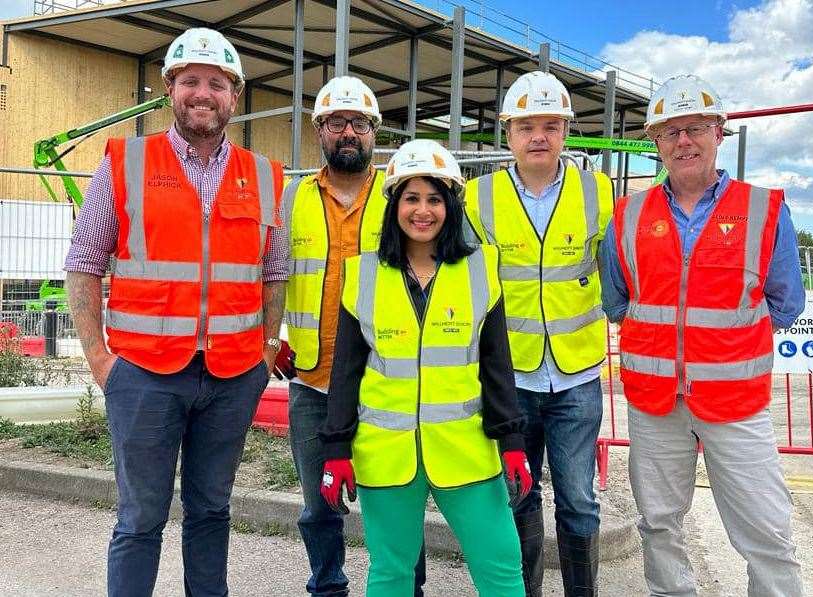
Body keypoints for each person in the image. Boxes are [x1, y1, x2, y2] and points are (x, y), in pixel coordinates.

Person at [64, 28, 285, 596]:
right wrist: (100, 361)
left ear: (234, 95)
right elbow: (83, 264)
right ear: (170, 89)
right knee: (140, 519)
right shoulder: (125, 162)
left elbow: (274, 271)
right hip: (141, 374)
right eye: (191, 81)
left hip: (233, 375)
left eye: (217, 83)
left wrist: (264, 353)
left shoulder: (263, 175)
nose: (203, 93)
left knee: (212, 511)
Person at [598, 74, 805, 596]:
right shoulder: (628, 215)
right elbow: (617, 299)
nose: (683, 141)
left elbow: (785, 304)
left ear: (719, 133)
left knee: (766, 532)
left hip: (736, 403)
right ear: (655, 143)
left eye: (694, 128)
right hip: (655, 402)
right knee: (659, 524)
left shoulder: (765, 209)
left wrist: (724, 349)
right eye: (670, 132)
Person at [318, 139, 533, 597]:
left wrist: (512, 441)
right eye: (411, 198)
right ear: (395, 204)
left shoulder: (479, 269)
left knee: (500, 566)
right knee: (391, 573)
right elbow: (346, 373)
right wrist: (335, 450)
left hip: (467, 451)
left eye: (434, 198)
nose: (423, 210)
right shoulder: (364, 274)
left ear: (450, 206)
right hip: (387, 454)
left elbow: (497, 365)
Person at [464, 71, 614, 596]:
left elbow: (614, 275)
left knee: (578, 499)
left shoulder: (596, 191)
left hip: (576, 376)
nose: (539, 136)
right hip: (511, 380)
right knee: (517, 497)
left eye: (551, 125)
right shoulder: (477, 198)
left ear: (566, 132)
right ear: (508, 133)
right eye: (526, 125)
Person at [274, 75, 425, 596]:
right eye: (337, 122)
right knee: (318, 505)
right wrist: (271, 339)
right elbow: (269, 273)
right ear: (320, 129)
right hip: (313, 380)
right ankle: (327, 586)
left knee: (400, 498)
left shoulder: (398, 200)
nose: (348, 132)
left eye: (359, 123)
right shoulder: (291, 198)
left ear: (373, 132)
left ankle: (407, 586)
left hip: (388, 380)